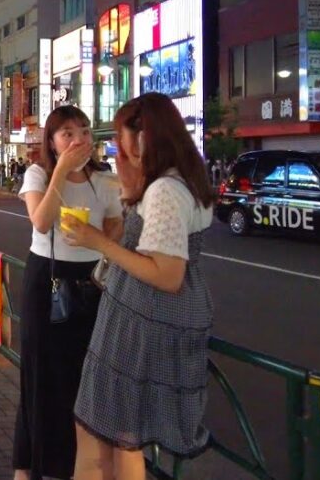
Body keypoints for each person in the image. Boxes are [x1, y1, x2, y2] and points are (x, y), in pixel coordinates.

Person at [61, 93, 215, 480]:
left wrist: (97, 242)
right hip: (157, 316)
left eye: (122, 136)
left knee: (102, 432)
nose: (118, 145)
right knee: (122, 437)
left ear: (146, 137)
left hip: (141, 317)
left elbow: (167, 275)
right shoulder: (184, 180)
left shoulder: (166, 190)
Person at [12, 106, 123, 480]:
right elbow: (41, 222)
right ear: (52, 141)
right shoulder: (38, 174)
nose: (79, 139)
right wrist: (61, 170)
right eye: (67, 134)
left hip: (91, 283)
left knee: (80, 379)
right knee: (40, 376)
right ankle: (27, 467)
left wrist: (102, 237)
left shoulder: (105, 180)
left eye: (84, 131)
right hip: (47, 279)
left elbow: (115, 230)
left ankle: (69, 466)